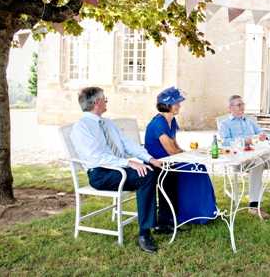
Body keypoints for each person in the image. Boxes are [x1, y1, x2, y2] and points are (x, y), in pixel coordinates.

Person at [70, 87, 164, 253]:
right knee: (146, 176)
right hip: (100, 174)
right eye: (104, 99)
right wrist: (129, 163)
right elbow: (97, 158)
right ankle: (144, 234)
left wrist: (149, 159)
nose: (106, 101)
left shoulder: (107, 123)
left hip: (117, 168)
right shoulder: (81, 128)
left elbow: (127, 144)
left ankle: (160, 220)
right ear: (97, 102)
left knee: (156, 170)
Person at [145, 87, 216, 225]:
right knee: (194, 168)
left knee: (198, 166)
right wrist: (188, 155)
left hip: (169, 161)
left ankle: (199, 212)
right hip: (158, 163)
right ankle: (188, 214)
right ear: (168, 105)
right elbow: (171, 151)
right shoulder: (159, 123)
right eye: (176, 103)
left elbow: (175, 146)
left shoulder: (171, 121)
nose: (179, 106)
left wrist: (190, 154)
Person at [219, 95, 270, 219]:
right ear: (230, 108)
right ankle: (254, 206)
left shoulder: (249, 121)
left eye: (243, 104)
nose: (242, 107)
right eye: (239, 105)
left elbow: (262, 132)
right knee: (258, 162)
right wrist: (244, 141)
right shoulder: (225, 124)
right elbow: (225, 142)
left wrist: (264, 136)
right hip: (239, 159)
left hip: (257, 154)